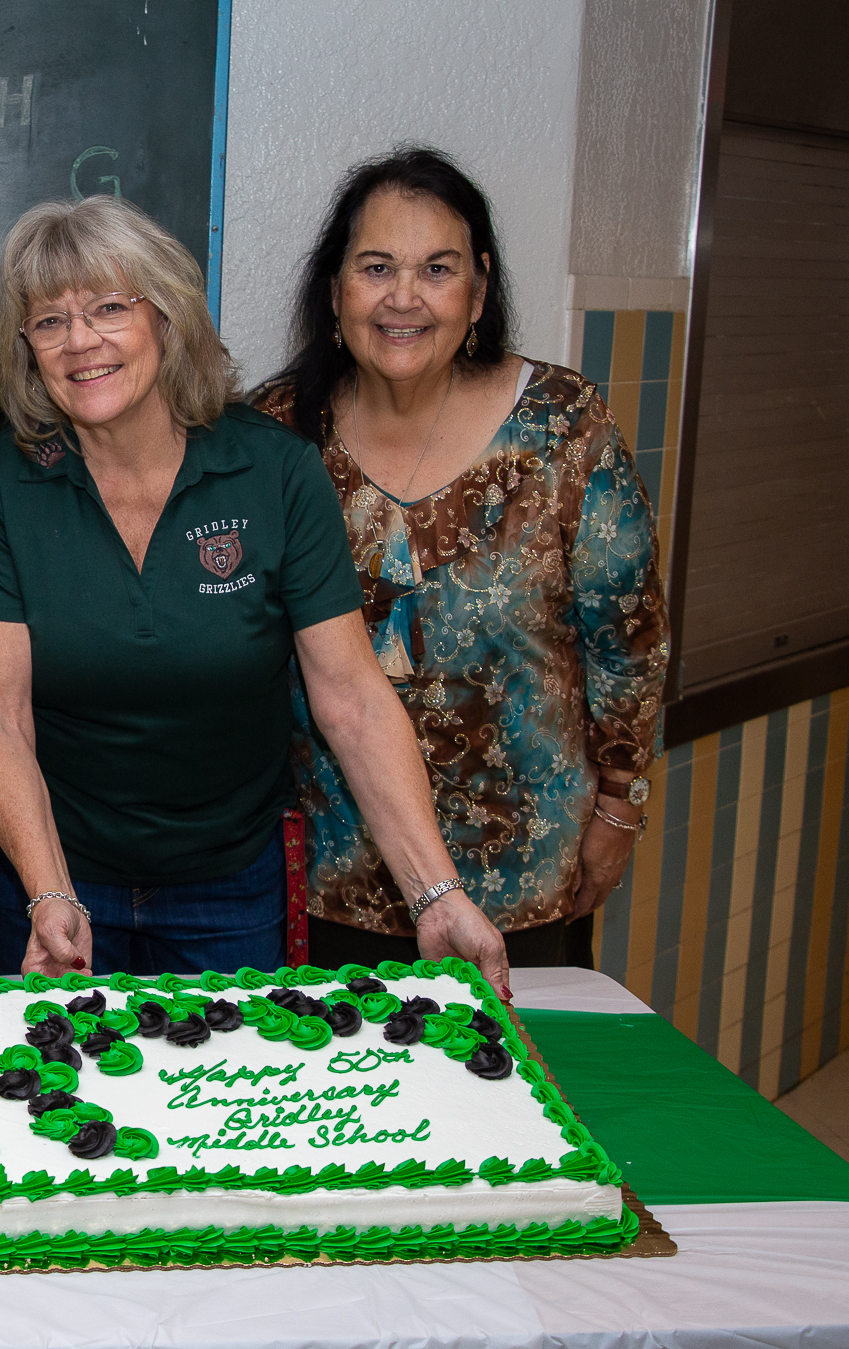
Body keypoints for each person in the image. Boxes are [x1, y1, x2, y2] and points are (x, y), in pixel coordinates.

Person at [0, 195, 510, 993]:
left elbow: (349, 694)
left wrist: (437, 891)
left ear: (168, 320)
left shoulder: (275, 471)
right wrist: (50, 890)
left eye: (110, 307)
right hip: (46, 878)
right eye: (49, 321)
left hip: (227, 887)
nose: (80, 341)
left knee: (220, 1108)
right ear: (26, 348)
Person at [253, 147, 668, 970]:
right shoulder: (274, 435)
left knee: (508, 1092)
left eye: (436, 269)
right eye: (376, 267)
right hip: (326, 882)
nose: (403, 296)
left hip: (523, 878)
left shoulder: (563, 425)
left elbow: (630, 641)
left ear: (477, 292)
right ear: (335, 293)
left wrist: (620, 809)